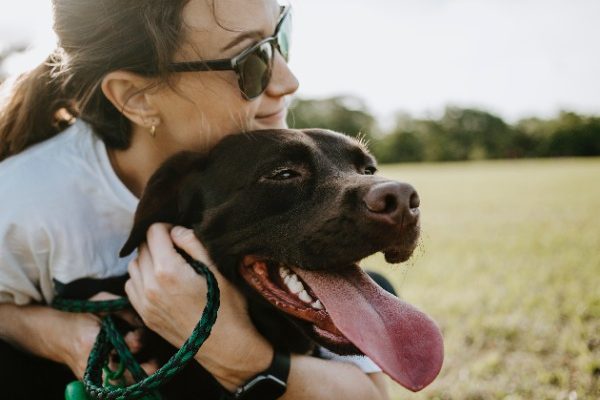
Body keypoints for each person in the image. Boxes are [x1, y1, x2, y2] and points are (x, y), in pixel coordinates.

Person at [0, 0, 391, 399]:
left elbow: (370, 395)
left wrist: (232, 348)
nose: (288, 80)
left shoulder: (270, 168)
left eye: (281, 37)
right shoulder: (21, 203)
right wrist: (58, 335)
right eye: (250, 60)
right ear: (136, 97)